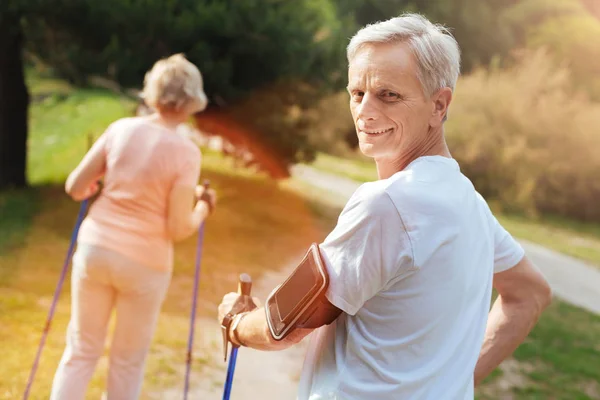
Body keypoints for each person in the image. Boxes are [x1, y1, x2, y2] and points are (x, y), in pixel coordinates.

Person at [217, 13, 552, 399]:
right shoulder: (467, 200)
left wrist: (235, 322)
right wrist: (454, 382)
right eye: (357, 93)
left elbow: (284, 325)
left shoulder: (388, 203)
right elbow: (531, 292)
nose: (364, 110)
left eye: (388, 95)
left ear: (439, 105)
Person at [51, 53, 217, 400]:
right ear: (191, 101)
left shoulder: (121, 129)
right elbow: (177, 227)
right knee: (127, 362)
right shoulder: (186, 153)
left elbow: (75, 187)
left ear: (152, 92)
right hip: (145, 263)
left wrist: (95, 187)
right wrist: (202, 208)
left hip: (96, 249)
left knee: (81, 349)